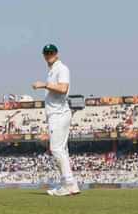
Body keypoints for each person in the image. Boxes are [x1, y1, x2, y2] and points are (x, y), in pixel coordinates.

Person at [32, 44, 80, 196]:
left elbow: (63, 88)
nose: (49, 55)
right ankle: (70, 184)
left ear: (57, 53)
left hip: (59, 114)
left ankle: (69, 184)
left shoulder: (62, 68)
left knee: (56, 149)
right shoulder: (53, 70)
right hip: (56, 114)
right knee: (62, 151)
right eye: (46, 53)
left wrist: (44, 85)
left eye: (51, 52)